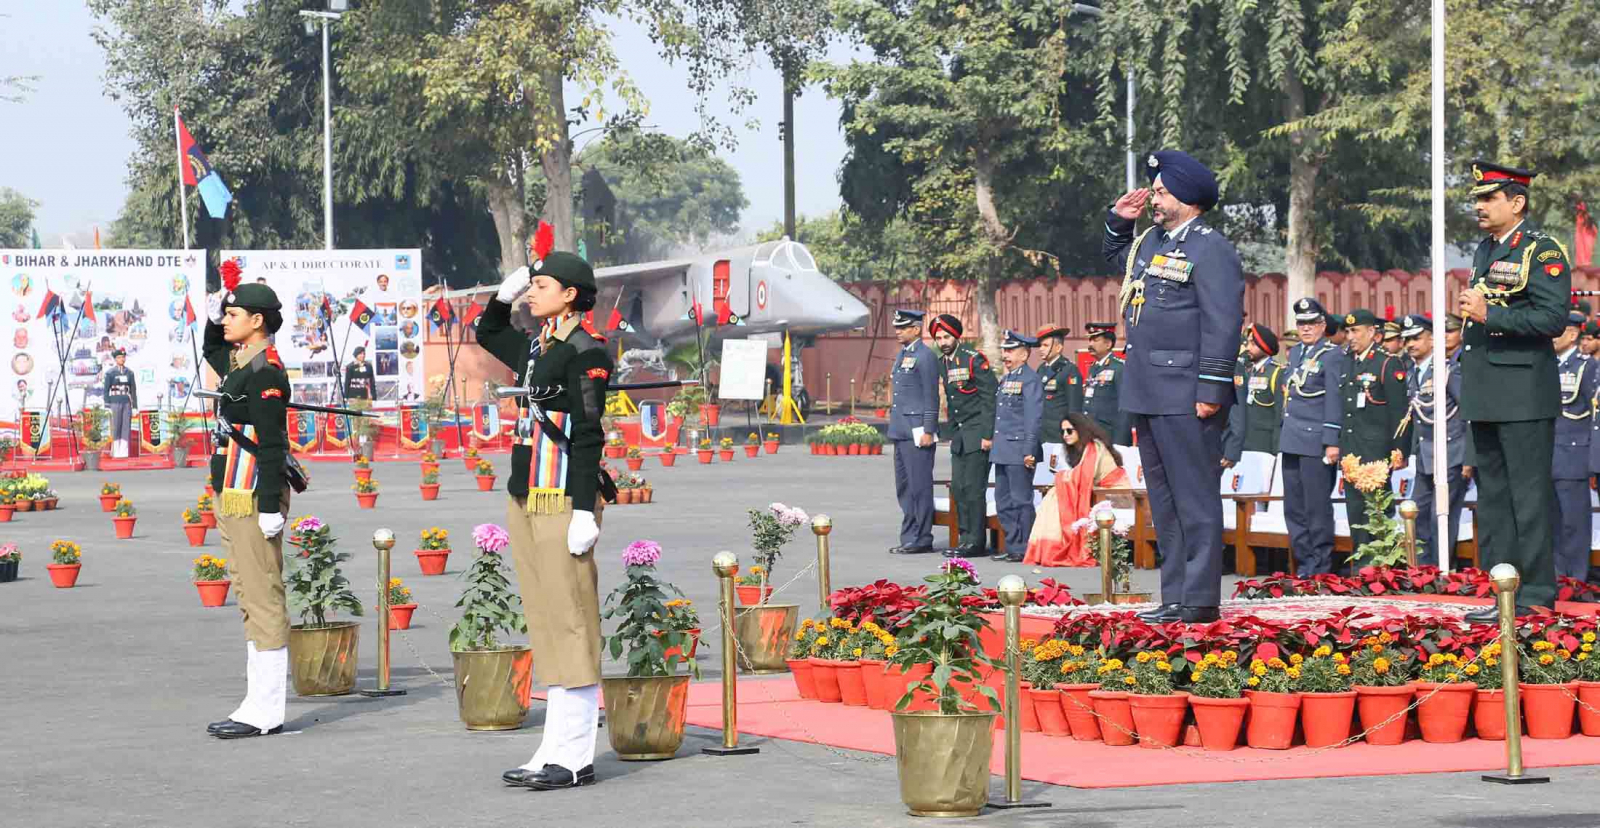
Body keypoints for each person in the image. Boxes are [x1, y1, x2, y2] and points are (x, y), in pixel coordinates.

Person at [478, 245, 612, 791]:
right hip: (526, 492)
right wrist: (501, 296)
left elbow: (588, 434)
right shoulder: (538, 348)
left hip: (562, 497)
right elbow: (488, 333)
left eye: (540, 286)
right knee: (544, 616)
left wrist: (584, 510)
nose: (531, 294)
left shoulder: (586, 351)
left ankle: (576, 753)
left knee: (571, 618)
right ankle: (552, 745)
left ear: (570, 295)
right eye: (529, 288)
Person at [1102, 150, 1245, 624]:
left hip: (1188, 393)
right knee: (1163, 501)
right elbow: (1119, 264)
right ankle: (1176, 596)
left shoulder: (1210, 247)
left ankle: (1200, 599)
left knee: (1195, 499)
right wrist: (1119, 223)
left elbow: (1223, 323)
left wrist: (1212, 388)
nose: (1155, 199)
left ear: (1188, 196)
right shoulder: (1150, 242)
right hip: (1149, 389)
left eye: (1162, 192)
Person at [1458, 160, 1571, 620]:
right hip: (1486, 392)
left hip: (1524, 394)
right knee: (1495, 502)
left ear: (1517, 202)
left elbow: (1552, 320)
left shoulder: (1541, 251)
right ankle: (1504, 594)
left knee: (1528, 500)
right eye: (1478, 199)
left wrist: (1491, 315)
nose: (1480, 206)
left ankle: (1536, 596)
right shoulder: (1486, 249)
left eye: (1489, 198)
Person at [200, 282, 293, 740]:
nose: (226, 320)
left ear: (257, 321)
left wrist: (273, 505)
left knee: (262, 596)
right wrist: (215, 310)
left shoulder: (265, 372)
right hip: (232, 490)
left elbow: (273, 445)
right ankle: (255, 701)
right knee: (246, 591)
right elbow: (211, 346)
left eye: (233, 314)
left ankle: (268, 709)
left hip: (255, 492)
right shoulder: (240, 365)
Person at [1280, 298, 1347, 576]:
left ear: (1323, 325)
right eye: (1301, 324)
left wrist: (1332, 440)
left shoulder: (1332, 355)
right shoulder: (1295, 353)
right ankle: (1304, 563)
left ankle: (1321, 566)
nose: (1306, 329)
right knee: (1294, 508)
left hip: (1316, 439)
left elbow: (1334, 398)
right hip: (1292, 438)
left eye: (1311, 323)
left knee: (1316, 507)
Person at [1336, 309, 1410, 558]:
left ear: (1372, 333)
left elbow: (1399, 413)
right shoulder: (1349, 362)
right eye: (1348, 331)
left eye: (1355, 331)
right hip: (1351, 451)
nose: (1350, 336)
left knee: (1377, 512)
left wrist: (1399, 450)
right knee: (1355, 513)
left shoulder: (1387, 363)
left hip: (1376, 452)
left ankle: (1380, 567)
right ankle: (1361, 567)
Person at [1400, 315, 1470, 566]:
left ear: (1432, 339)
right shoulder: (1412, 372)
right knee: (1417, 515)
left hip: (1451, 453)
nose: (1410, 343)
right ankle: (1422, 571)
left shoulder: (1448, 369)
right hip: (1425, 456)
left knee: (1439, 517)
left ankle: (1442, 571)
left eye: (1416, 338)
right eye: (1406, 339)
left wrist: (1469, 458)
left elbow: (1467, 413)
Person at [930, 314, 997, 559]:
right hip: (959, 435)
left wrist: (988, 434)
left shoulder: (973, 360)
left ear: (956, 336)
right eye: (938, 337)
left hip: (978, 431)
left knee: (974, 488)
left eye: (946, 336)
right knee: (959, 488)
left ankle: (975, 542)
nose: (942, 341)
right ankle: (964, 537)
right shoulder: (942, 363)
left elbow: (990, 398)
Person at [1023, 412, 1128, 567]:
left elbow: (1083, 475)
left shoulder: (1094, 446)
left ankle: (1054, 548)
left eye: (1069, 431)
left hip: (1117, 495)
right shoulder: (1082, 449)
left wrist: (1061, 477)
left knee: (1055, 495)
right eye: (1063, 431)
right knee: (1054, 496)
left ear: (1081, 429)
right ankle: (1048, 547)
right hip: (1099, 493)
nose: (1065, 435)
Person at [887, 309, 941, 555]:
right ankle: (909, 535)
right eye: (897, 327)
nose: (898, 331)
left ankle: (922, 536)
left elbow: (931, 396)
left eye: (903, 327)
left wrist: (929, 429)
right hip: (901, 429)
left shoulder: (925, 356)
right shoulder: (904, 354)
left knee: (920, 487)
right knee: (904, 487)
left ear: (916, 329)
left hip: (918, 431)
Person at [988, 330, 1042, 562]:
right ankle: (1013, 545)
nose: (1005, 355)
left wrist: (1029, 449)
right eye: (1004, 350)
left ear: (1024, 354)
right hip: (1002, 450)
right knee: (1003, 501)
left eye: (1010, 351)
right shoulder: (1007, 378)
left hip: (1020, 450)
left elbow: (1033, 417)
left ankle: (1024, 546)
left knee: (1021, 500)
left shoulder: (1030, 380)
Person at [1551, 311, 1597, 583]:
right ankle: (1557, 577)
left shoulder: (1586, 366)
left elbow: (1594, 415)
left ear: (1572, 334)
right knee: (1552, 523)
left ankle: (1577, 580)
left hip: (1573, 454)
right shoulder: (1546, 364)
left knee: (1574, 523)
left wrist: (1592, 460)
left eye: (1557, 331)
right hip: (1547, 455)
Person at [1034, 323, 1082, 478]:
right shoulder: (1041, 369)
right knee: (1042, 479)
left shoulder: (1069, 370)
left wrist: (1071, 434)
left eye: (1046, 345)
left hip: (1059, 435)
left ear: (1058, 348)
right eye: (1040, 345)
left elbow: (1074, 407)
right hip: (1042, 434)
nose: (1041, 349)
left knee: (1060, 476)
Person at [1234, 324, 1284, 456]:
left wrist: (1277, 452)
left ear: (1265, 347)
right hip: (1241, 444)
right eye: (1248, 343)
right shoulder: (1245, 370)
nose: (1248, 348)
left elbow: (1279, 417)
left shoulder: (1276, 373)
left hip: (1264, 446)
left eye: (1253, 344)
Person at [1082, 323, 1129, 444]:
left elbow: (1125, 408)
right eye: (1090, 340)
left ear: (1108, 344)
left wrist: (1121, 441)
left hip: (1110, 435)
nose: (1090, 344)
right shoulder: (1094, 368)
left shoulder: (1119, 368)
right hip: (1091, 435)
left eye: (1095, 340)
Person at [103, 347, 137, 458]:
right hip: (115, 401)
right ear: (115, 359)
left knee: (126, 426)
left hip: (126, 402)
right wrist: (107, 405)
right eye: (119, 357)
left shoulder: (130, 373)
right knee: (116, 425)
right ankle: (116, 451)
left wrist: (135, 406)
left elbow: (133, 390)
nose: (122, 359)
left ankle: (124, 451)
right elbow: (106, 390)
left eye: (123, 357)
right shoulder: (110, 373)